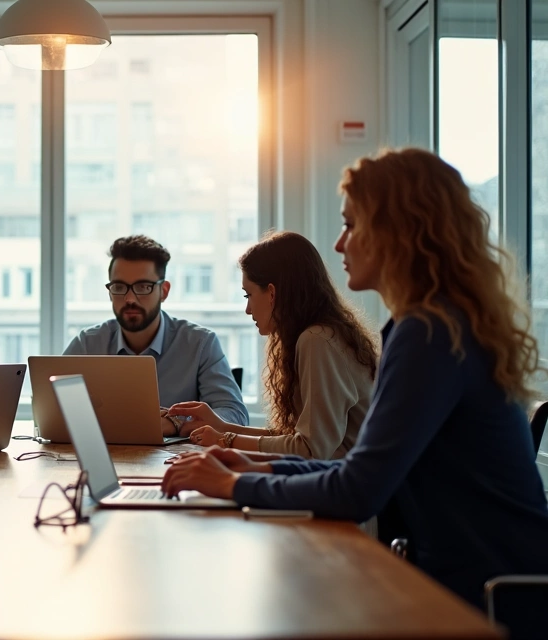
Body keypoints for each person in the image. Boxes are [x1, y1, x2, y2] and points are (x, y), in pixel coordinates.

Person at [162, 148, 548, 618]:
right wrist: (248, 468)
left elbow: (357, 489)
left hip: (490, 598)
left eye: (351, 224)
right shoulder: (425, 326)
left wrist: (234, 484)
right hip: (461, 578)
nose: (340, 244)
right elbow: (355, 468)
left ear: (398, 232)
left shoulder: (429, 334)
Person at [168, 231, 377, 459]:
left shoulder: (317, 340)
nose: (247, 309)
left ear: (271, 293)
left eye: (248, 295)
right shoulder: (321, 334)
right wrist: (222, 427)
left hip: (342, 487)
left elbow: (310, 449)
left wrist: (224, 441)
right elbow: (293, 437)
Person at [65, 234, 248, 430]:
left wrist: (176, 422)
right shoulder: (87, 344)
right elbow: (51, 410)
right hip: (101, 455)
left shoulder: (200, 343)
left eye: (143, 287)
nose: (129, 299)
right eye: (119, 287)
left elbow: (234, 414)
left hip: (175, 460)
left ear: (164, 291)